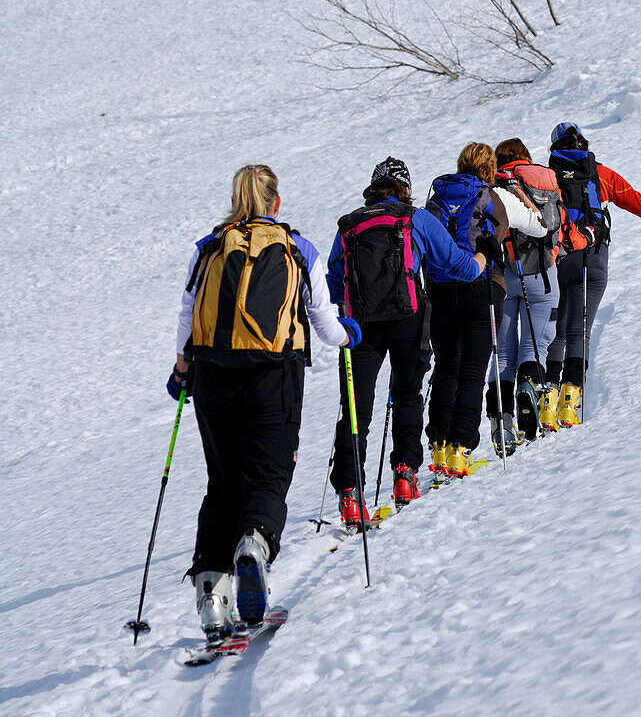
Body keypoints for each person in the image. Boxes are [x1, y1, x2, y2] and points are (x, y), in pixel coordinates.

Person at [169, 163, 359, 640]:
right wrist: (348, 335)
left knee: (223, 481)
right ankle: (253, 548)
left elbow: (187, 314)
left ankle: (212, 595)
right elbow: (324, 321)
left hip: (213, 375)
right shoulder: (297, 247)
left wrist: (181, 371)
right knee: (268, 476)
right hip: (275, 377)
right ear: (276, 202)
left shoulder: (210, 247)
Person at [326, 157, 492, 523]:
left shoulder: (350, 226)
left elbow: (334, 281)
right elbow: (457, 266)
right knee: (406, 396)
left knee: (357, 410)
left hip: (359, 326)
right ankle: (405, 476)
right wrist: (482, 259)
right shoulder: (415, 219)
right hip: (408, 319)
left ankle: (351, 495)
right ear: (404, 187)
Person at [424, 142, 547, 475]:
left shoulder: (437, 197)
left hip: (440, 289)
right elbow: (541, 226)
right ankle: (461, 448)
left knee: (447, 366)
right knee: (474, 368)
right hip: (483, 286)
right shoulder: (497, 197)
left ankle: (439, 447)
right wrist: (519, 195)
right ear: (491, 168)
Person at [545, 122, 641, 427]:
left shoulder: (547, 176)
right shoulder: (600, 173)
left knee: (558, 327)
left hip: (561, 257)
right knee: (580, 329)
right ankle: (570, 403)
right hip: (595, 258)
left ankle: (548, 399)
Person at [488, 137, 562, 449]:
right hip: (542, 275)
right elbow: (555, 223)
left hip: (503, 277)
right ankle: (529, 388)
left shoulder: (495, 185)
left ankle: (501, 425)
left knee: (503, 353)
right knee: (535, 348)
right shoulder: (545, 180)